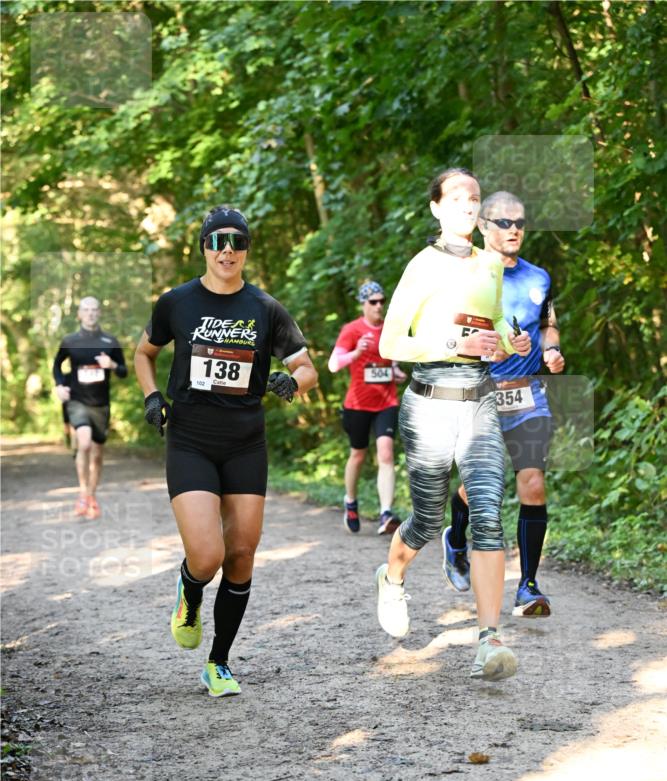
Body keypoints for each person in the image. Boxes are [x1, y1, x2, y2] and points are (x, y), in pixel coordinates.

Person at [134, 206, 318, 699]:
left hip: (245, 442)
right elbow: (144, 353)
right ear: (204, 248)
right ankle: (189, 591)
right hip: (191, 439)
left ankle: (218, 663)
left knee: (241, 554)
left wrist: (290, 380)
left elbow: (307, 367)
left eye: (237, 241)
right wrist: (152, 396)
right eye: (218, 241)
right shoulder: (176, 302)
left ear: (247, 249)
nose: (228, 250)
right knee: (209, 554)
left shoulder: (266, 308)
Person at [375, 168, 531, 682]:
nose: (468, 205)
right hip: (429, 403)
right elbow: (391, 343)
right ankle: (393, 576)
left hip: (480, 400)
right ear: (437, 208)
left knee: (487, 509)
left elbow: (490, 323)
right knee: (426, 516)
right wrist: (450, 346)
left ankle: (488, 639)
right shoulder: (421, 265)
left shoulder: (491, 264)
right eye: (458, 198)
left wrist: (511, 341)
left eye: (475, 198)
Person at [443, 191, 565, 617]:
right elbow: (449, 337)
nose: (514, 230)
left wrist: (551, 350)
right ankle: (455, 537)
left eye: (520, 222)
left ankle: (528, 586)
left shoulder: (539, 277)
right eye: (503, 223)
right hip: (480, 393)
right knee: (478, 488)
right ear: (483, 227)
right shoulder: (467, 274)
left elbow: (549, 324)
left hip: (529, 394)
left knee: (532, 483)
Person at [328, 281, 407, 534]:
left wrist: (395, 372)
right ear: (363, 304)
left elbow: (391, 363)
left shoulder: (389, 330)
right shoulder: (352, 330)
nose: (379, 306)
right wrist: (356, 352)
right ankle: (350, 501)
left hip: (386, 402)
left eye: (382, 301)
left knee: (386, 453)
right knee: (358, 454)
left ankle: (386, 513)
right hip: (358, 404)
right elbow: (333, 364)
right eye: (373, 301)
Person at [53, 296, 127, 518]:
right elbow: (57, 365)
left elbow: (123, 372)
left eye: (95, 309)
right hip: (77, 400)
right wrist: (59, 385)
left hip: (100, 404)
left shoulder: (110, 341)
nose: (91, 313)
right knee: (83, 443)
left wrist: (112, 365)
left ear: (99, 313)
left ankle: (91, 496)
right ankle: (83, 493)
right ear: (79, 314)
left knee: (97, 453)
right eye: (86, 310)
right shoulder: (70, 341)